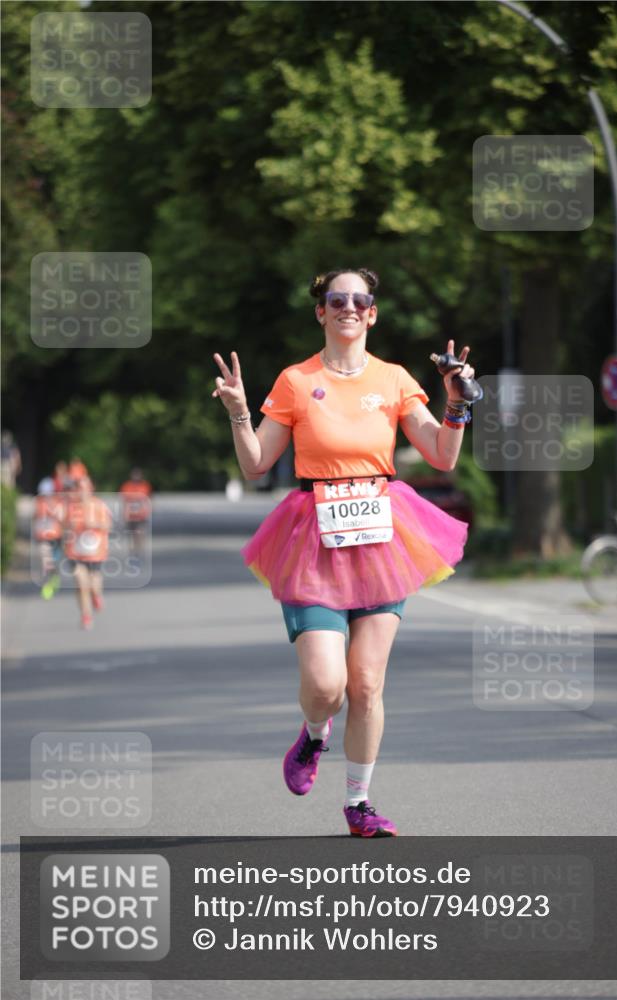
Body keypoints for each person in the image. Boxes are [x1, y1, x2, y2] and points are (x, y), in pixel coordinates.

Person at [212, 268, 474, 837]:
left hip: (381, 540)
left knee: (367, 684)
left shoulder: (395, 378)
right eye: (338, 300)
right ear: (322, 312)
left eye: (360, 300)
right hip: (315, 540)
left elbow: (442, 455)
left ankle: (359, 803)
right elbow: (256, 464)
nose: (349, 307)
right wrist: (238, 409)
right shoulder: (296, 380)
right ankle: (313, 734)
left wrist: (456, 404)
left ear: (372, 313)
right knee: (327, 687)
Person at [62, 476, 112, 629]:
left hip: (95, 552)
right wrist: (69, 526)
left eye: (85, 488)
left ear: (91, 489)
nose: (82, 491)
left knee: (93, 584)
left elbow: (108, 526)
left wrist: (94, 524)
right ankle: (86, 615)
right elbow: (63, 526)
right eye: (79, 488)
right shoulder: (71, 506)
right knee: (80, 583)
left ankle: (96, 595)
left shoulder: (99, 505)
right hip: (75, 552)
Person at [119, 467, 152, 558]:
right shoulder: (126, 486)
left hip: (141, 515)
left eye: (138, 475)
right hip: (131, 515)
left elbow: (148, 499)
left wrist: (148, 510)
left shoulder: (145, 486)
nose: (136, 477)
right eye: (134, 475)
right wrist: (124, 514)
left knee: (139, 533)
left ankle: (139, 550)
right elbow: (124, 502)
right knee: (131, 534)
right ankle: (132, 551)